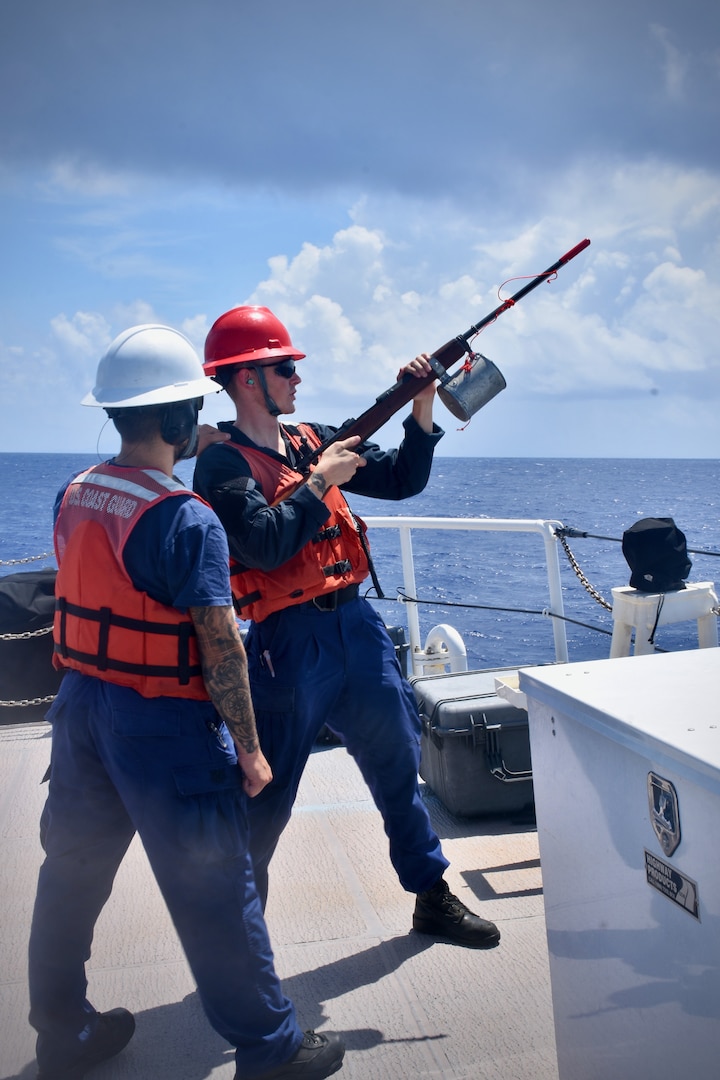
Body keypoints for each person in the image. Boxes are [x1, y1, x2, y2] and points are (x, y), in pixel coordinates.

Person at [27, 325, 345, 1080]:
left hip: (80, 712)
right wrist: (252, 748)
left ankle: (62, 1031)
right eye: (193, 411)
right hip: (160, 724)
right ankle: (272, 1049)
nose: (204, 422)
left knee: (69, 875)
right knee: (215, 888)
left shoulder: (76, 490)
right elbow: (219, 643)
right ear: (173, 421)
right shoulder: (185, 517)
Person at [193, 305, 501, 950]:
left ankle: (431, 897)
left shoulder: (311, 439)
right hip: (287, 645)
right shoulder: (222, 467)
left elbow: (401, 479)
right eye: (284, 367)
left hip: (357, 628)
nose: (296, 378)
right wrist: (320, 481)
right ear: (248, 379)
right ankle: (235, 940)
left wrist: (419, 406)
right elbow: (263, 546)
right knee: (265, 794)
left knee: (398, 763)